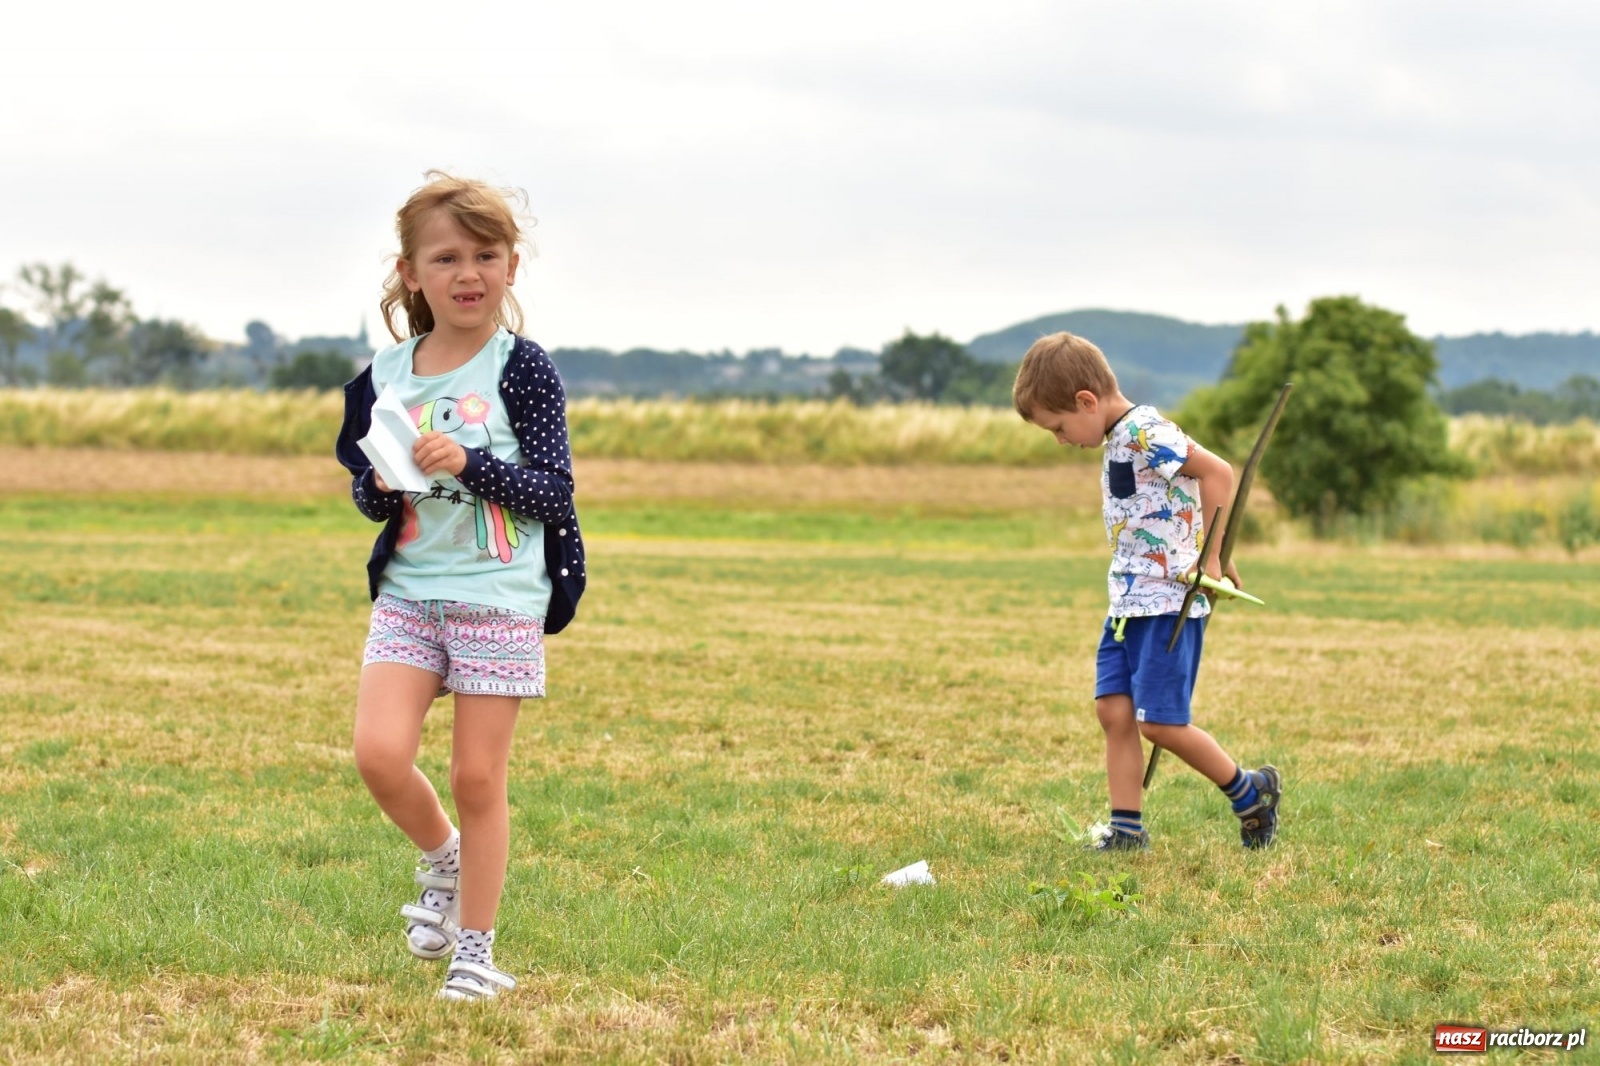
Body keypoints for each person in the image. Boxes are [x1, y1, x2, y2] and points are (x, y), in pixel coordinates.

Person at [335, 171, 586, 1000]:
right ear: (412, 274)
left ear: (512, 266)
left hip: (499, 598)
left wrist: (473, 464)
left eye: (486, 254)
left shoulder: (526, 370)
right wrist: (389, 482)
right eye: (446, 257)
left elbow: (554, 491)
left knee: (479, 778)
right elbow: (368, 491)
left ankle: (476, 951)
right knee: (378, 755)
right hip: (412, 593)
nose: (467, 272)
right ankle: (443, 860)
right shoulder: (385, 373)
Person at [1012, 332, 1280, 851]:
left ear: (1086, 401)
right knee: (1113, 711)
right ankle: (1127, 831)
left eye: (1060, 427)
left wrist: (1215, 557)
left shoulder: (1142, 431)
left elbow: (1217, 473)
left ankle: (1250, 792)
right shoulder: (1116, 436)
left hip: (1166, 601)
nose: (1061, 440)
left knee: (1160, 723)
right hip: (1127, 602)